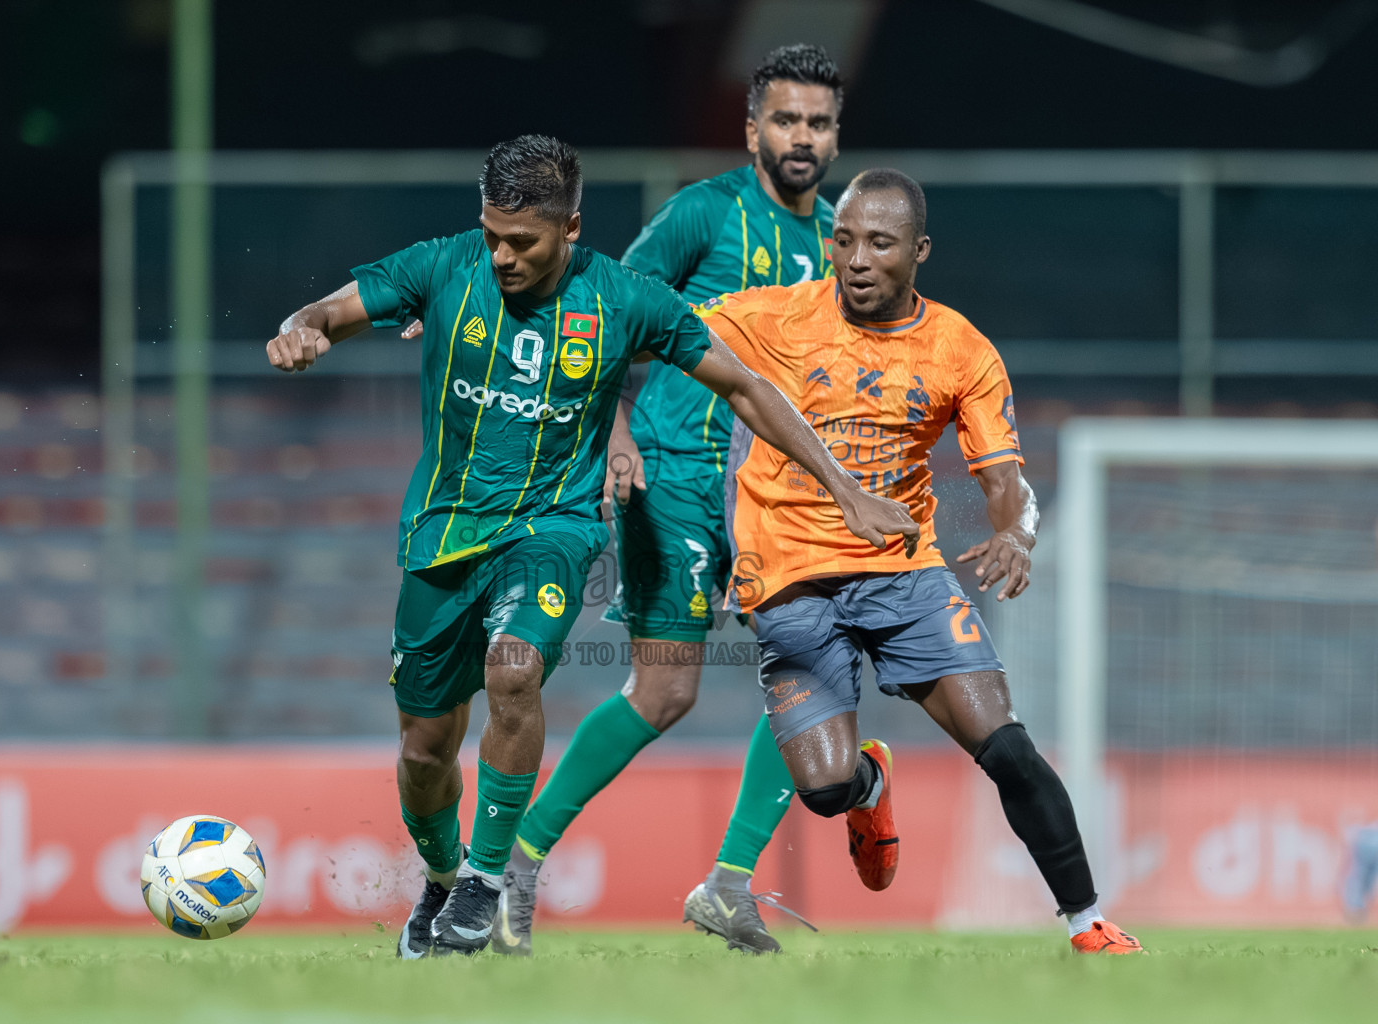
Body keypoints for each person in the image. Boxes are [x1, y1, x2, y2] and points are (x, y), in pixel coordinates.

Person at [265, 136, 918, 958]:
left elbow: (750, 387)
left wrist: (846, 489)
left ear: (570, 227)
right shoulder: (442, 266)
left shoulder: (623, 297)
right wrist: (301, 330)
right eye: (492, 234)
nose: (501, 255)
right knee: (425, 749)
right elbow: (326, 310)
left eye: (523, 241)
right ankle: (438, 883)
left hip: (554, 529)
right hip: (440, 536)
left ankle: (488, 877)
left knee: (515, 669)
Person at [697, 167, 1144, 954]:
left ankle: (1089, 923)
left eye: (880, 243)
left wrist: (1017, 534)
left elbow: (1003, 479)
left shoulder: (959, 348)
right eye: (844, 242)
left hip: (903, 572)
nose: (858, 259)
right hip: (790, 579)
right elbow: (644, 320)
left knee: (1005, 744)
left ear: (920, 250)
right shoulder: (769, 316)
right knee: (826, 790)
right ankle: (869, 784)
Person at [493, 43, 844, 957]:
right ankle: (514, 869)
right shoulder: (704, 213)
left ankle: (728, 885)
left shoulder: (842, 237)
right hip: (676, 475)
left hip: (775, 490)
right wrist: (610, 431)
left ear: (835, 136)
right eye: (785, 119)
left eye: (818, 122)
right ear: (751, 128)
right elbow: (599, 309)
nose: (801, 137)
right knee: (664, 689)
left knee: (818, 671)